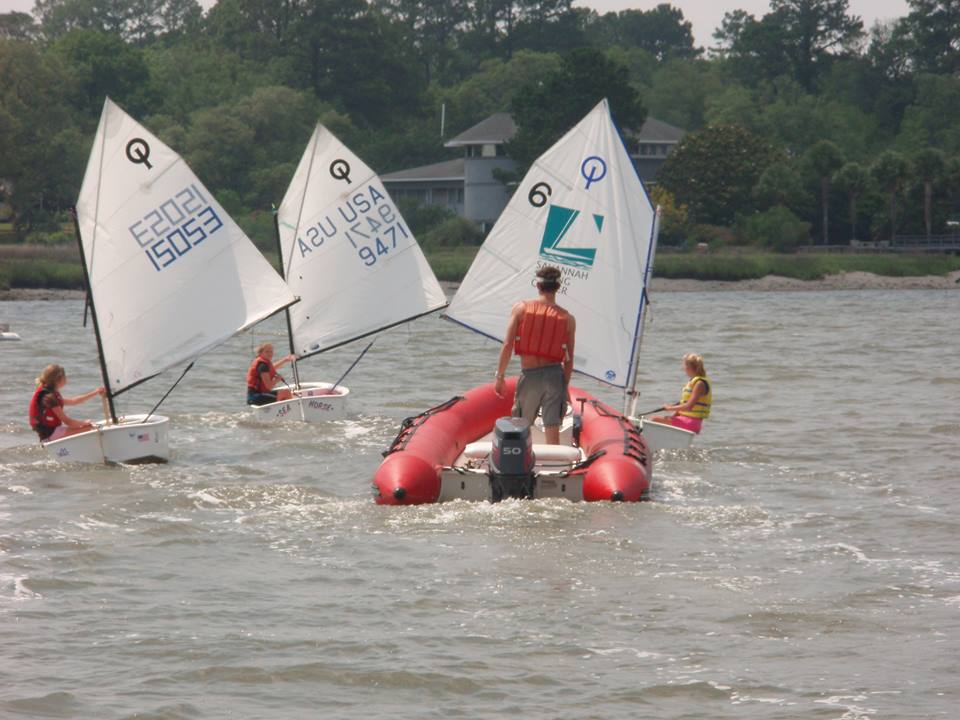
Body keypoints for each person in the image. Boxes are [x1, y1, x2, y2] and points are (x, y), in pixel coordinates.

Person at [494, 265, 576, 445]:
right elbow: (569, 359)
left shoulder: (521, 309)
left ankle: (518, 461)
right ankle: (554, 464)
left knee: (520, 423)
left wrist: (500, 376)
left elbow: (508, 345)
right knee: (552, 424)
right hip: (555, 376)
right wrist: (565, 386)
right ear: (558, 287)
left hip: (530, 375)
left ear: (538, 286)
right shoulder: (568, 319)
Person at [28, 364, 105, 441]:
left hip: (52, 432)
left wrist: (96, 392)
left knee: (88, 427)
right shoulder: (49, 398)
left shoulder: (49, 394)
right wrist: (84, 423)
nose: (66, 379)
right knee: (90, 428)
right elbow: (67, 421)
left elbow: (74, 401)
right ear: (59, 379)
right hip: (50, 434)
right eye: (65, 377)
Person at [650, 353, 712, 434]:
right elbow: (684, 405)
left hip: (691, 422)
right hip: (686, 420)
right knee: (664, 420)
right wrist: (673, 414)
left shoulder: (700, 384)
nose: (683, 368)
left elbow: (688, 406)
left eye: (684, 366)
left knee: (654, 419)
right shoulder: (695, 381)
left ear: (688, 368)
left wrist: (669, 408)